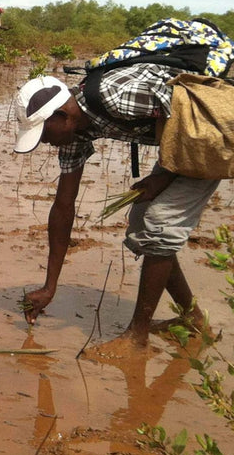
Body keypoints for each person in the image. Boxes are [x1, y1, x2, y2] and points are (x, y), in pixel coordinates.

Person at [13, 67, 218, 350]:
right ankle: (192, 318)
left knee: (159, 224)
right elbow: (63, 206)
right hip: (181, 143)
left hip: (208, 134)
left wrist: (163, 177)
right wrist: (50, 287)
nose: (45, 142)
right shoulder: (75, 133)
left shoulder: (113, 96)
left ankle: (137, 337)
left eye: (43, 134)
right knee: (141, 220)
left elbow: (184, 114)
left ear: (62, 116)